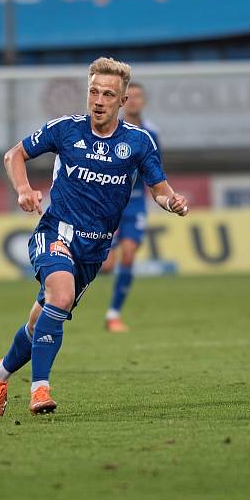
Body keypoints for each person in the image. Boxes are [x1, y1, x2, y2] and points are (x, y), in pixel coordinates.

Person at [0, 57, 188, 416]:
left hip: (93, 250)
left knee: (40, 320)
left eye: (108, 94)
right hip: (55, 232)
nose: (98, 100)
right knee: (60, 297)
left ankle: (0, 373)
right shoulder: (66, 130)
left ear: (122, 101)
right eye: (93, 91)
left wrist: (171, 202)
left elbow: (159, 189)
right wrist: (23, 189)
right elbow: (13, 155)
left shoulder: (138, 142)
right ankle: (39, 390)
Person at [101, 82, 161, 333]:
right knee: (106, 265)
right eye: (131, 97)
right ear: (123, 100)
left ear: (144, 101)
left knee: (128, 255)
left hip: (135, 204)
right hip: (110, 203)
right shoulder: (111, 129)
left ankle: (113, 314)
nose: (135, 101)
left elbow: (156, 168)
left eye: (139, 97)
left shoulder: (151, 133)